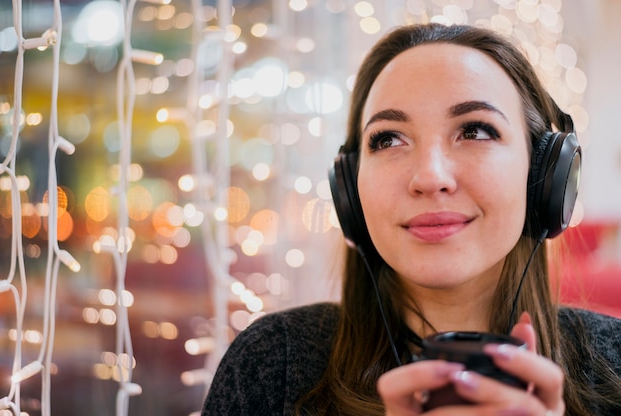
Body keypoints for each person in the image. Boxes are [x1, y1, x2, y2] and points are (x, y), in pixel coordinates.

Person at [201, 23, 621, 416]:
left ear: (546, 174)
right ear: (349, 186)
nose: (430, 177)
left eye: (475, 131)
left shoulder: (615, 359)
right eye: (388, 139)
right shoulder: (272, 363)